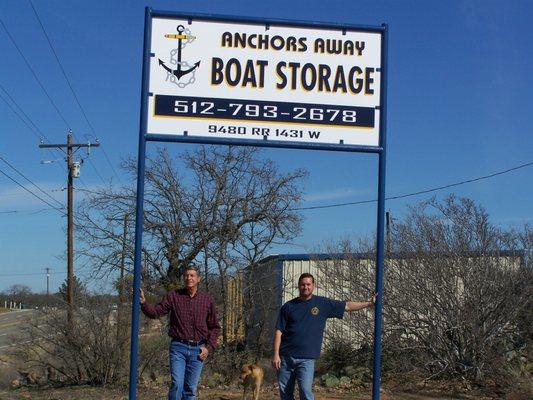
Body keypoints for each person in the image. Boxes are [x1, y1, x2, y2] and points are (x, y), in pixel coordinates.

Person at [271, 272, 377, 400]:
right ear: (299, 286)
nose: (306, 287)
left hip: (307, 359)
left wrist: (369, 304)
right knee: (285, 394)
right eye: (303, 285)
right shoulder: (288, 307)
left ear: (313, 285)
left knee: (305, 391)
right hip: (286, 358)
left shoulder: (322, 304)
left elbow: (347, 306)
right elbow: (279, 331)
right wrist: (276, 354)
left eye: (308, 284)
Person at [140, 266, 221, 400]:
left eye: (192, 275)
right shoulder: (174, 296)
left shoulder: (207, 300)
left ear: (198, 279)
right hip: (178, 347)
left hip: (198, 350)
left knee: (190, 389)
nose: (189, 278)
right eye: (186, 275)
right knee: (177, 384)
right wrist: (144, 303)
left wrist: (208, 347)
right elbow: (156, 312)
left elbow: (215, 327)